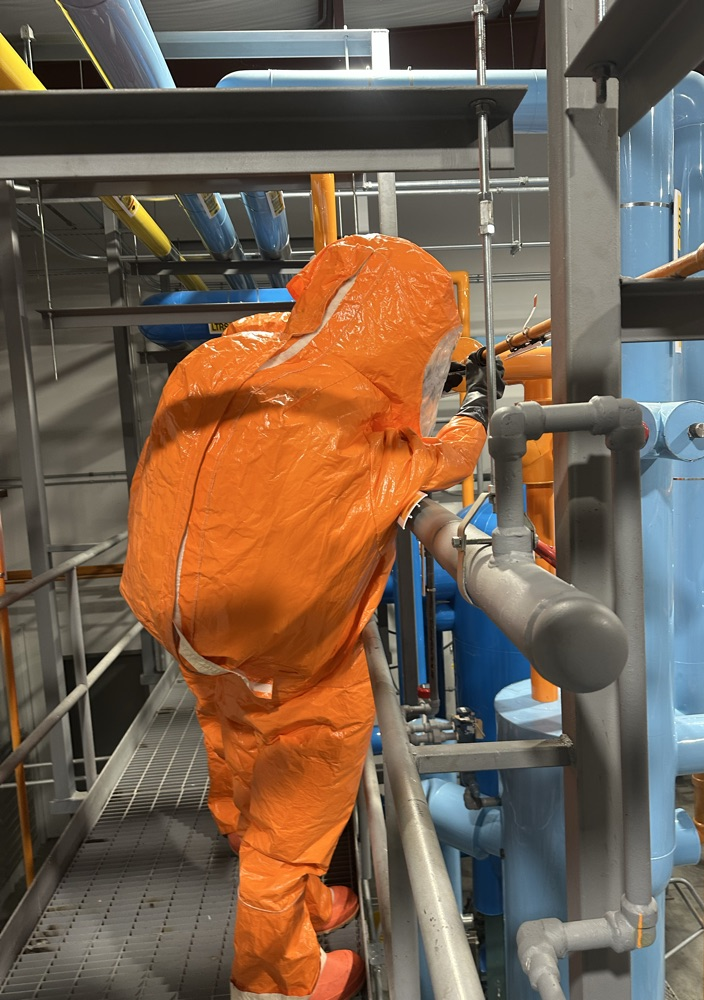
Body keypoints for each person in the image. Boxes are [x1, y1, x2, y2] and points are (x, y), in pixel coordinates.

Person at [121, 234, 504, 1000]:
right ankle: (275, 976)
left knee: (234, 735)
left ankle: (281, 884)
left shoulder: (223, 357)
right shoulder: (355, 425)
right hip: (275, 645)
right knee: (302, 793)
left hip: (181, 617)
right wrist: (478, 415)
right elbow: (447, 453)